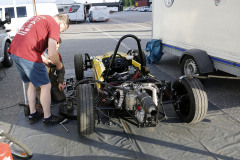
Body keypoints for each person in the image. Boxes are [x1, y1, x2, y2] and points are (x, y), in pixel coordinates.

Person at [8, 14, 69, 126]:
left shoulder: (40, 18)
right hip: (28, 54)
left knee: (32, 83)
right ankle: (48, 117)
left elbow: (30, 42)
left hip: (15, 51)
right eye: (62, 30)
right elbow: (52, 52)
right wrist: (58, 64)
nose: (60, 32)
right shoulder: (54, 25)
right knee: (46, 86)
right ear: (61, 24)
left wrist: (44, 60)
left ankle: (33, 113)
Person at [36, 37, 66, 104]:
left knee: (61, 98)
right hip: (40, 81)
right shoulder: (41, 54)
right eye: (55, 47)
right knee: (45, 103)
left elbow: (61, 70)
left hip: (51, 79)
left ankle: (50, 92)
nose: (56, 50)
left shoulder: (58, 55)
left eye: (57, 48)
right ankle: (37, 94)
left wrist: (60, 82)